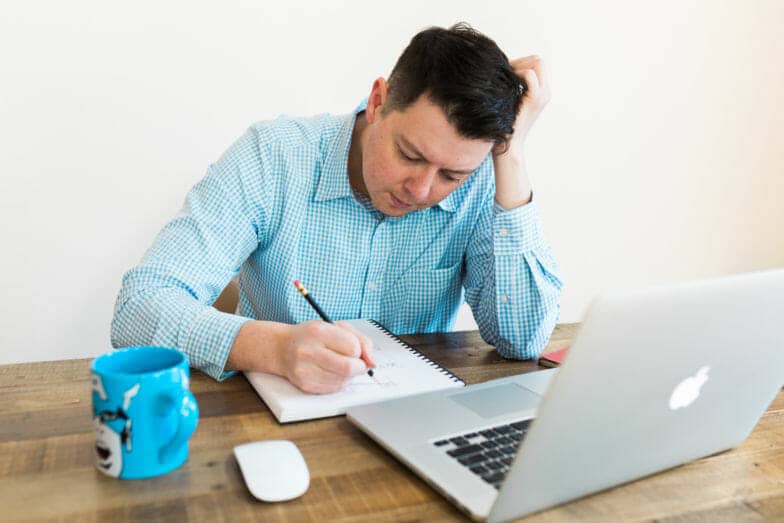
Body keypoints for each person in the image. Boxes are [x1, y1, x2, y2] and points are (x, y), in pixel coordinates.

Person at [111, 23, 563, 393]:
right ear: (378, 101)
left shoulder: (485, 179)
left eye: (451, 175)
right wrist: (275, 347)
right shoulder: (273, 157)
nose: (422, 189)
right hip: (272, 419)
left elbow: (521, 341)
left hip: (410, 418)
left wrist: (512, 154)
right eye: (409, 154)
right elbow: (139, 308)